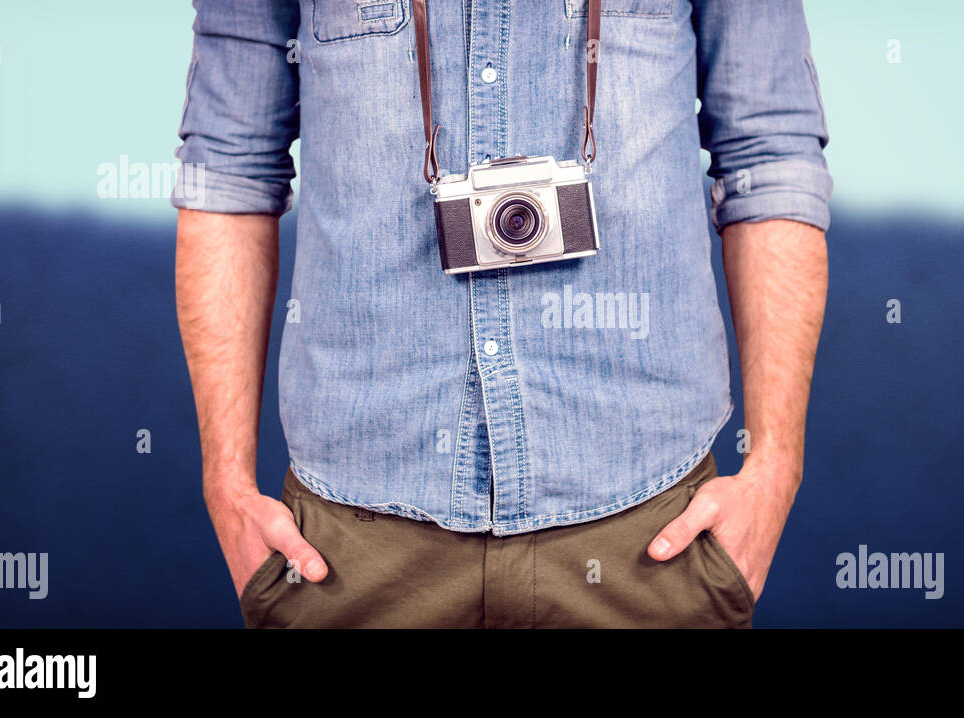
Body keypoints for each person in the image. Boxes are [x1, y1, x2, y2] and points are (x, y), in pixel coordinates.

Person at [172, 0, 831, 628]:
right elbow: (226, 172)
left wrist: (775, 470)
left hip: (652, 528)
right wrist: (226, 485)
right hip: (351, 546)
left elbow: (770, 154)